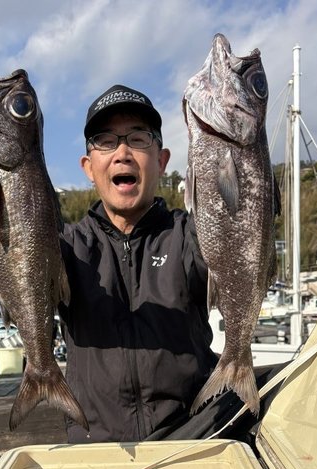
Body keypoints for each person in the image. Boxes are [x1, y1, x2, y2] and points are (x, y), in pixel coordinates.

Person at [58, 84, 218, 443]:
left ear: (161, 161)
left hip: (194, 438)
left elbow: (235, 230)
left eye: (138, 138)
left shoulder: (188, 235)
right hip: (97, 448)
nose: (122, 153)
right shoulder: (67, 246)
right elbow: (14, 257)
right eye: (105, 141)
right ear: (88, 167)